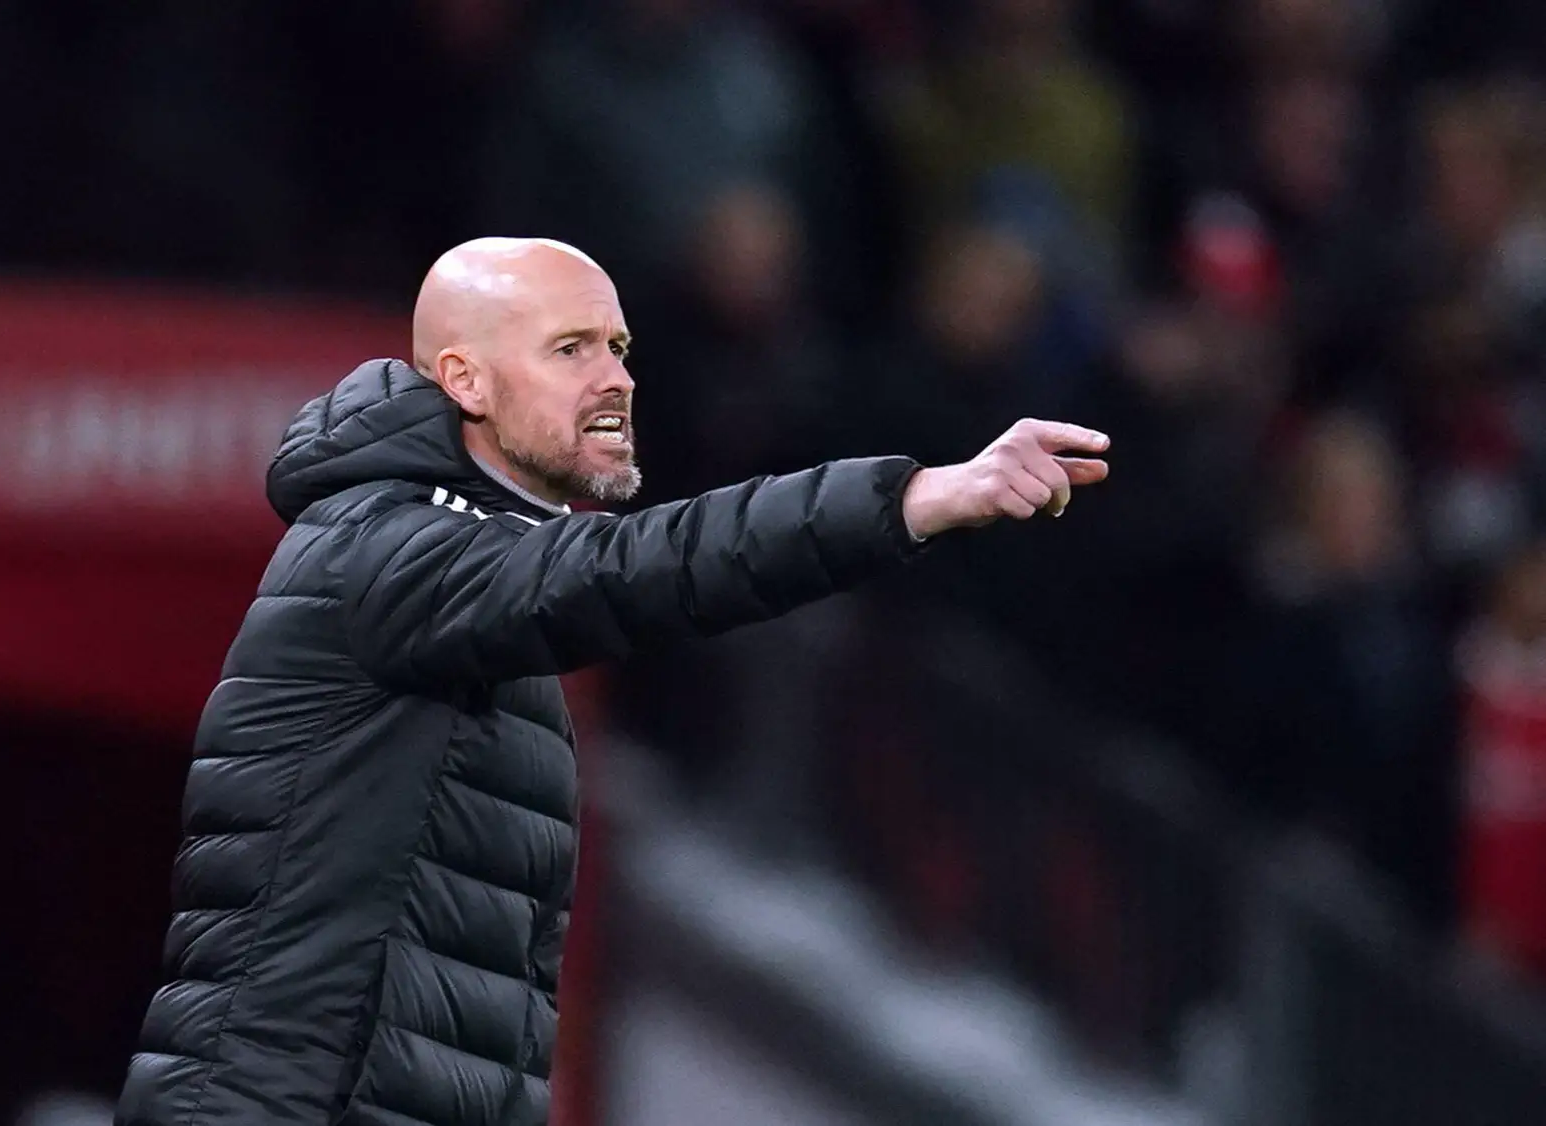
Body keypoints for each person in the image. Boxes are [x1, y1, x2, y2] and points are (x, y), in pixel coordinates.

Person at [115, 237, 1110, 1126]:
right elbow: (644, 568)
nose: (615, 379)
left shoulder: (461, 578)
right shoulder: (385, 551)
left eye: (619, 348)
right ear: (464, 378)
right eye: (570, 350)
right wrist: (909, 498)